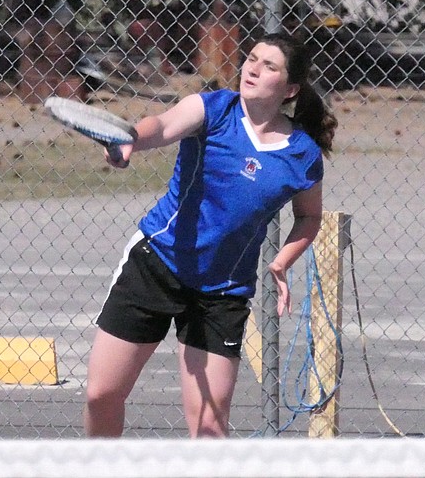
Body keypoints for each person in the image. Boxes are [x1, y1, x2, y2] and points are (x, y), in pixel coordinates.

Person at [83, 30, 337, 438]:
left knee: (209, 428)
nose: (253, 68)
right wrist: (131, 140)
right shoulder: (214, 108)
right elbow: (162, 125)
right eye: (252, 58)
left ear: (290, 88)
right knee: (101, 394)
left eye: (269, 65)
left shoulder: (301, 154)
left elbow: (308, 217)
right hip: (158, 264)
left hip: (221, 293)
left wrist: (282, 260)